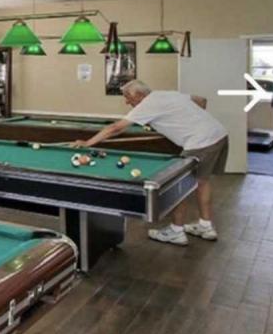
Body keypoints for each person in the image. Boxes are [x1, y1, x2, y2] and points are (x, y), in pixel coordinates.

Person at [71, 80, 228, 245]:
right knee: (202, 182)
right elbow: (201, 101)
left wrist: (87, 143)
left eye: (128, 97)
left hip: (200, 143)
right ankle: (205, 226)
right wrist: (190, 122)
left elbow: (115, 128)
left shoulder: (148, 104)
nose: (126, 102)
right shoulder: (165, 94)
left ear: (140, 95)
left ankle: (176, 231)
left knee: (181, 187)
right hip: (218, 134)